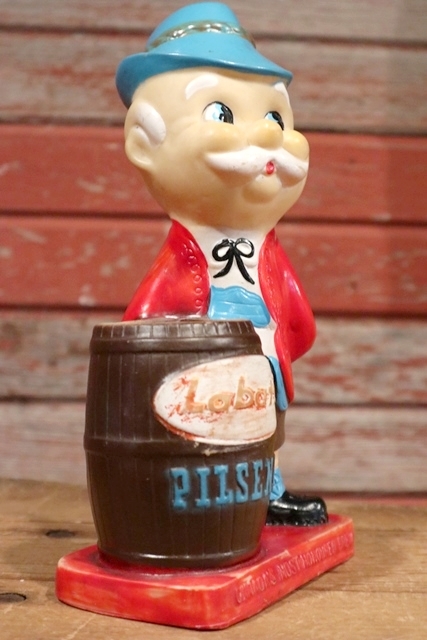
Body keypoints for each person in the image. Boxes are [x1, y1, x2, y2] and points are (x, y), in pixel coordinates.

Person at [116, 2, 327, 526]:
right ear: (144, 141)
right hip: (203, 370)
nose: (269, 136)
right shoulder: (181, 261)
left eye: (276, 117)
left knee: (267, 425)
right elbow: (144, 323)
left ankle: (267, 490)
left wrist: (286, 340)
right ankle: (201, 499)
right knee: (209, 432)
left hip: (264, 355)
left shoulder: (268, 252)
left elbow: (296, 317)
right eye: (222, 115)